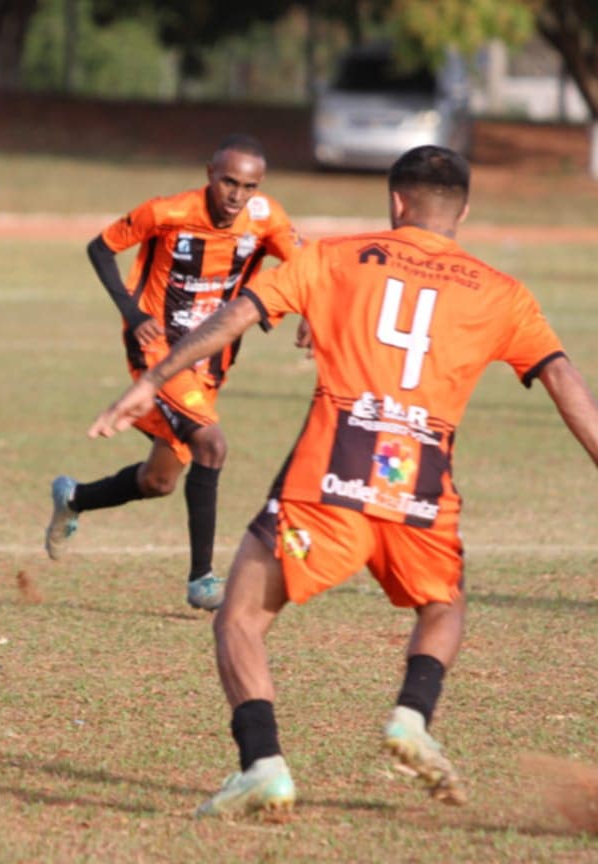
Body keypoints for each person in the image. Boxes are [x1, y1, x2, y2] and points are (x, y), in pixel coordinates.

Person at [88, 145, 598, 817]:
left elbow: (236, 314)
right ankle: (412, 716)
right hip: (419, 481)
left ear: (395, 202)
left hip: (331, 477)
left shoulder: (332, 257)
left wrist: (153, 380)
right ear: (464, 211)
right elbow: (563, 378)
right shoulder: (504, 292)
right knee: (443, 606)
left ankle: (263, 763)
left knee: (240, 615)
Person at [46, 134, 302, 611]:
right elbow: (101, 248)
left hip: (210, 360)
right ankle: (202, 580)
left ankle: (74, 497)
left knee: (159, 480)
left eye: (249, 186)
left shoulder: (268, 218)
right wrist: (133, 312)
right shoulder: (168, 212)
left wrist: (308, 316)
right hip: (157, 349)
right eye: (229, 181)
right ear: (210, 173)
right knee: (212, 445)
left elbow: (306, 265)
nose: (237, 195)